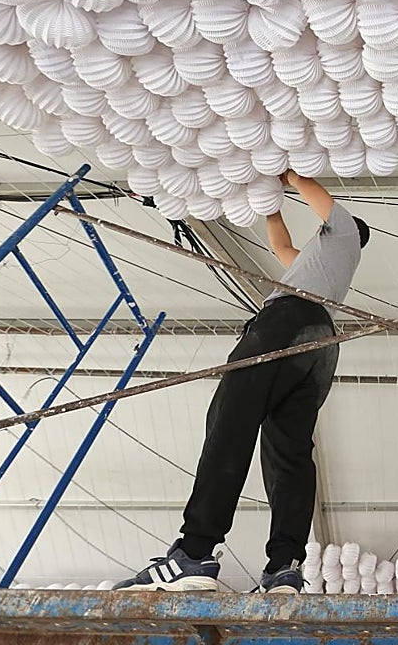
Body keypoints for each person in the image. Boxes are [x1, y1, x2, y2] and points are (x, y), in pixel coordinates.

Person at [115, 170, 370, 594]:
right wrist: (270, 206)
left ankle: (195, 552)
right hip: (320, 347)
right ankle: (284, 567)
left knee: (230, 421)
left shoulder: (345, 236)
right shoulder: (317, 267)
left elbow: (321, 200)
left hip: (287, 323)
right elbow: (281, 246)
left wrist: (287, 171)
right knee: (288, 452)